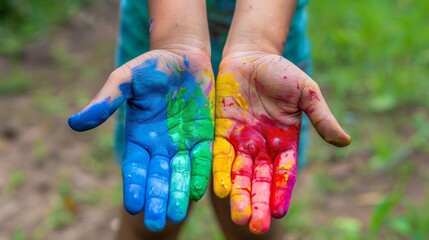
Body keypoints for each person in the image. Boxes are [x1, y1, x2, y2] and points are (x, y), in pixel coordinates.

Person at [68, 0, 351, 239]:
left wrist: (259, 43)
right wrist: (176, 42)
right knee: (151, 211)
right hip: (161, 41)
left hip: (269, 45)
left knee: (251, 208)